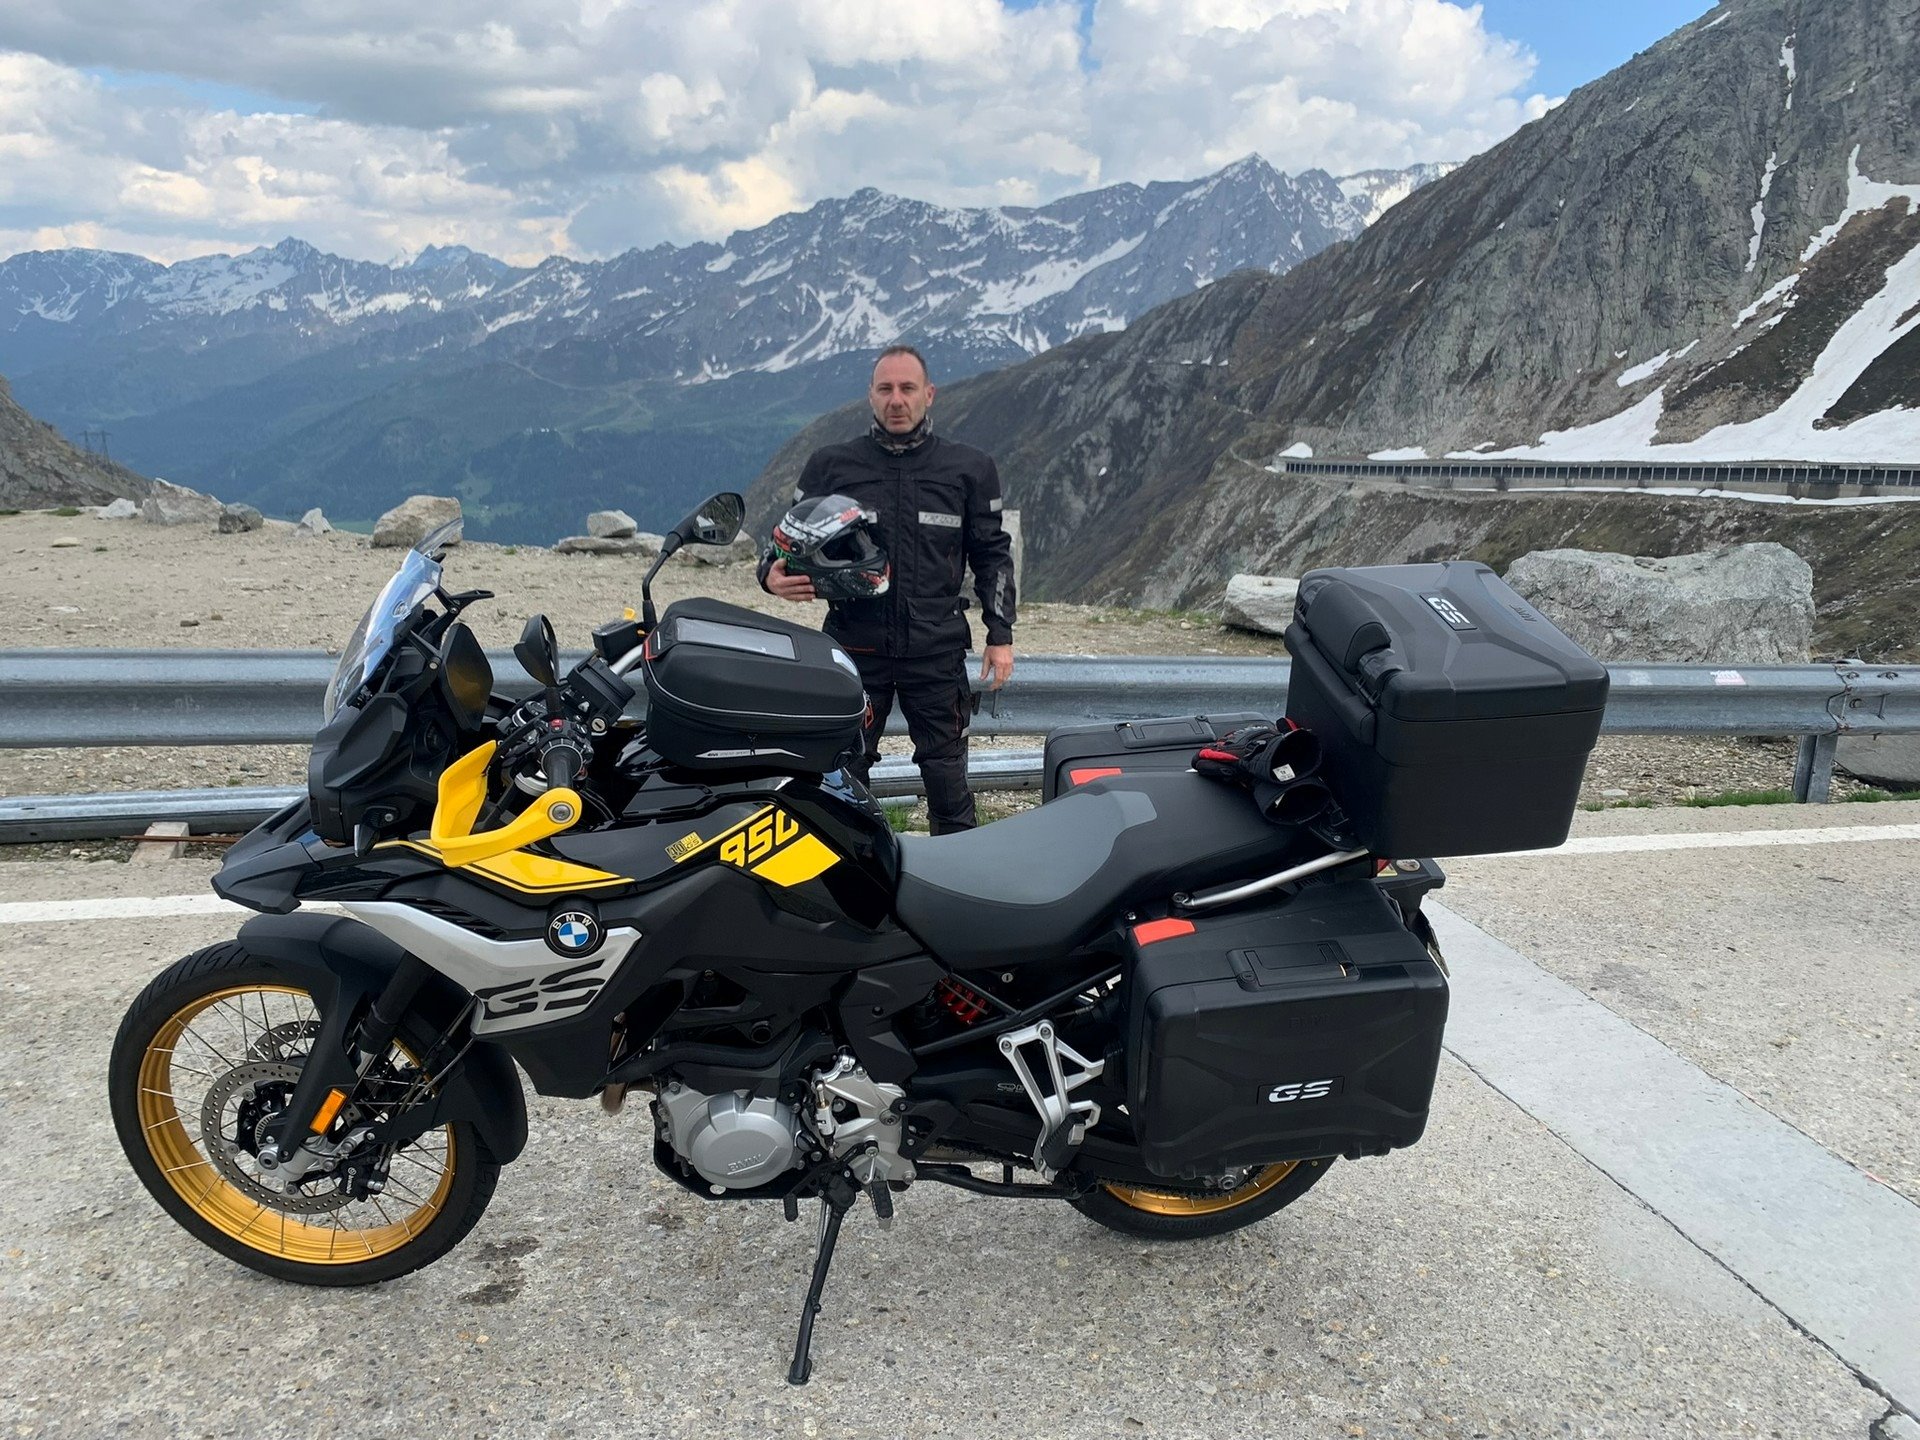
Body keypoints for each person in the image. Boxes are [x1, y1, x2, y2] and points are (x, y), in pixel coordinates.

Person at [760, 344, 1016, 833]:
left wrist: (999, 634)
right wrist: (770, 575)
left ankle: (957, 872)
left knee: (947, 780)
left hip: (936, 651)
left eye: (907, 388)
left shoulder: (969, 469)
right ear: (871, 396)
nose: (897, 400)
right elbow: (785, 541)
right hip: (853, 648)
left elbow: (992, 555)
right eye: (886, 389)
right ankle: (848, 875)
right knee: (839, 780)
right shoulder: (832, 465)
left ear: (929, 394)